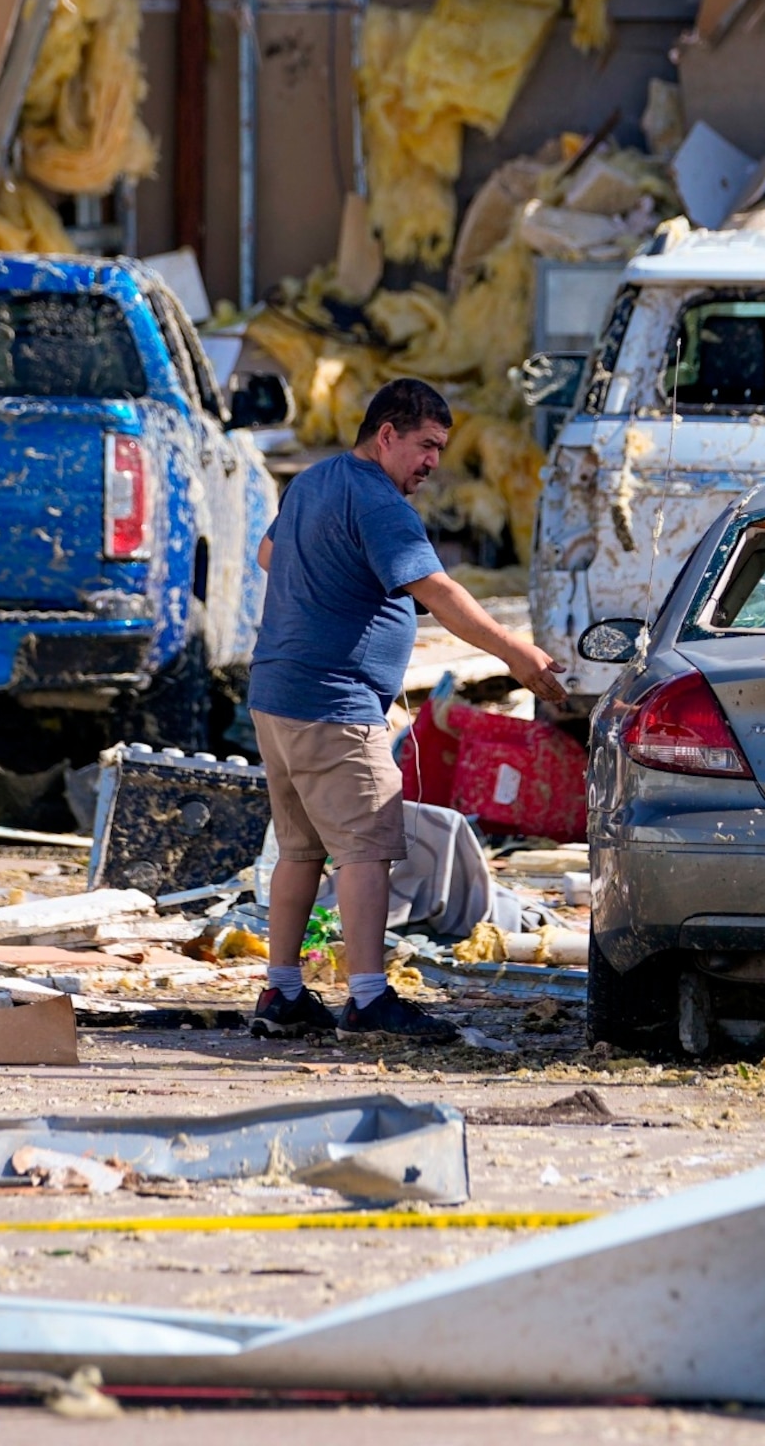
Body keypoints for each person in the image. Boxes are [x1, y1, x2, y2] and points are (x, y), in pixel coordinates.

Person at [244, 376, 566, 1039]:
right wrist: (518, 655)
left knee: (300, 853)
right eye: (425, 445)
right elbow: (440, 592)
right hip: (334, 705)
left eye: (440, 450)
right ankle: (366, 999)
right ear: (386, 434)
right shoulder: (379, 503)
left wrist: (329, 587)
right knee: (365, 850)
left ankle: (281, 994)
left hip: (276, 698)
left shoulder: (313, 481)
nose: (432, 464)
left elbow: (269, 553)